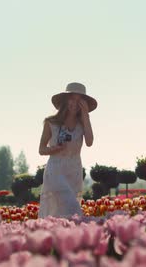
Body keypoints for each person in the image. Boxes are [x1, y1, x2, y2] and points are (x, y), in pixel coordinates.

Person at [38, 82, 96, 218]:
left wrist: (86, 116)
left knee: (63, 212)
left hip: (74, 170)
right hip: (56, 171)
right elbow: (41, 149)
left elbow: (89, 142)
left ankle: (62, 238)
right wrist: (53, 149)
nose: (75, 104)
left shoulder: (83, 124)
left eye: (79, 101)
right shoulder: (51, 122)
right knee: (72, 207)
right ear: (65, 100)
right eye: (72, 99)